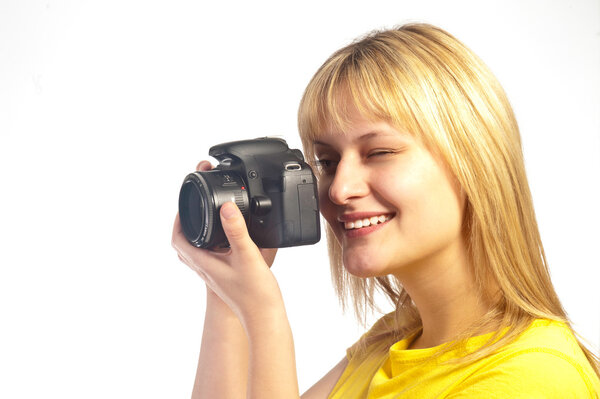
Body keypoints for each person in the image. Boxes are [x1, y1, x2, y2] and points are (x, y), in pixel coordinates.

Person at [171, 23, 600, 398]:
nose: (339, 189)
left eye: (378, 152)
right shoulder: (391, 343)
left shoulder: (531, 377)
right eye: (328, 161)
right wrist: (225, 293)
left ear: (475, 162)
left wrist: (264, 317)